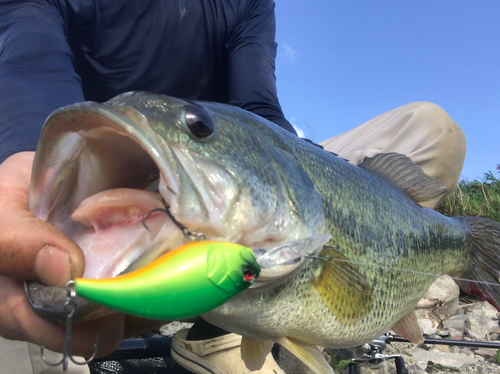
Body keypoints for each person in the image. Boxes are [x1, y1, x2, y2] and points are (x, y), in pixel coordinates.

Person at [0, 1, 467, 374]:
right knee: (34, 321)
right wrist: (24, 157)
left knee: (431, 129)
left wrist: (317, 190)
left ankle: (213, 333)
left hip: (226, 160)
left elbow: (258, 106)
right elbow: (30, 66)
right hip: (101, 184)